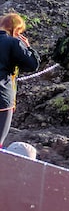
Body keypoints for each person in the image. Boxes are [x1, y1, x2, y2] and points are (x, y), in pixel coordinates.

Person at [0, 13, 40, 148]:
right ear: (16, 30)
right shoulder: (12, 42)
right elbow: (32, 65)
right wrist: (28, 47)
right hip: (2, 97)